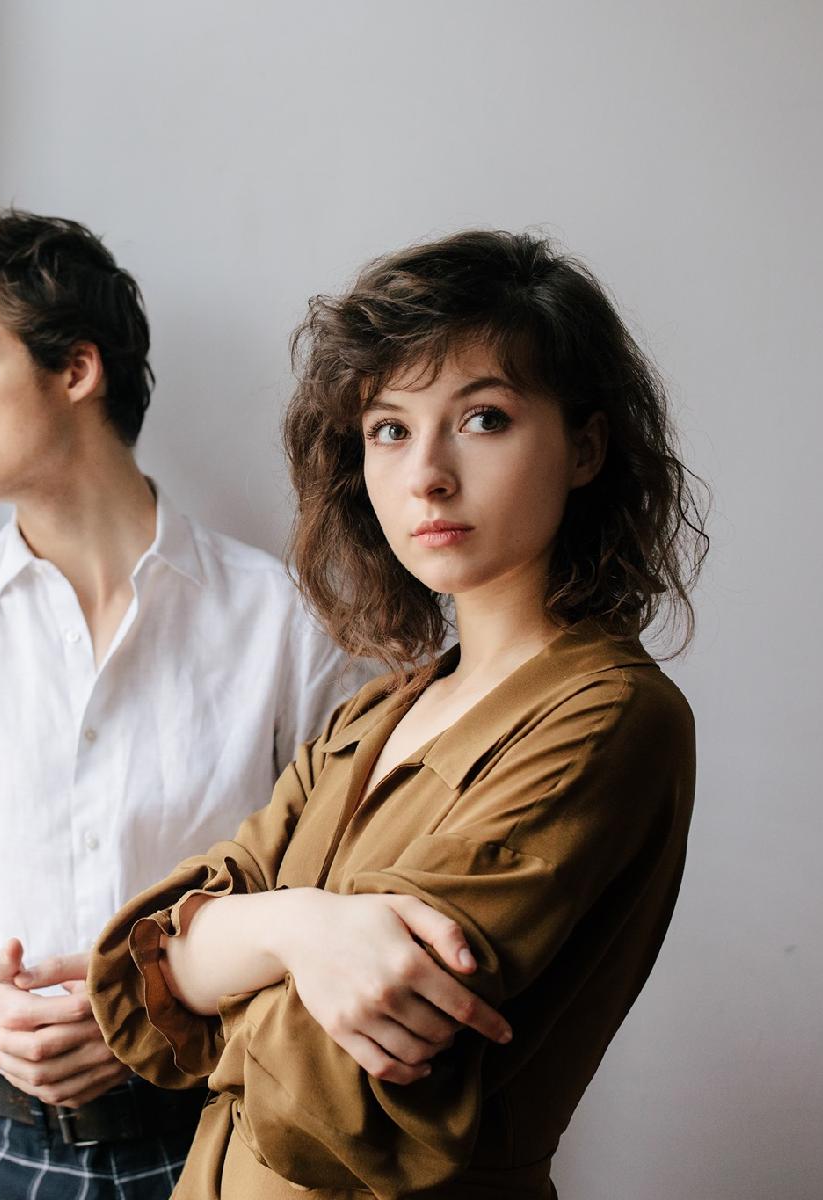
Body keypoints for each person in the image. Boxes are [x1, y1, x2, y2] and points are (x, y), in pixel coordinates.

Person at [0, 203, 509, 1200]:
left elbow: (345, 894)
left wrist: (153, 1015)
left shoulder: (287, 623)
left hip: (224, 1139)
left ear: (76, 370)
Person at [88, 229, 709, 1199]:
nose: (426, 473)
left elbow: (332, 1086)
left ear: (585, 447)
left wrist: (220, 960)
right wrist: (298, 930)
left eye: (484, 419)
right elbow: (136, 987)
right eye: (388, 429)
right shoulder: (372, 713)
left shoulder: (609, 718)